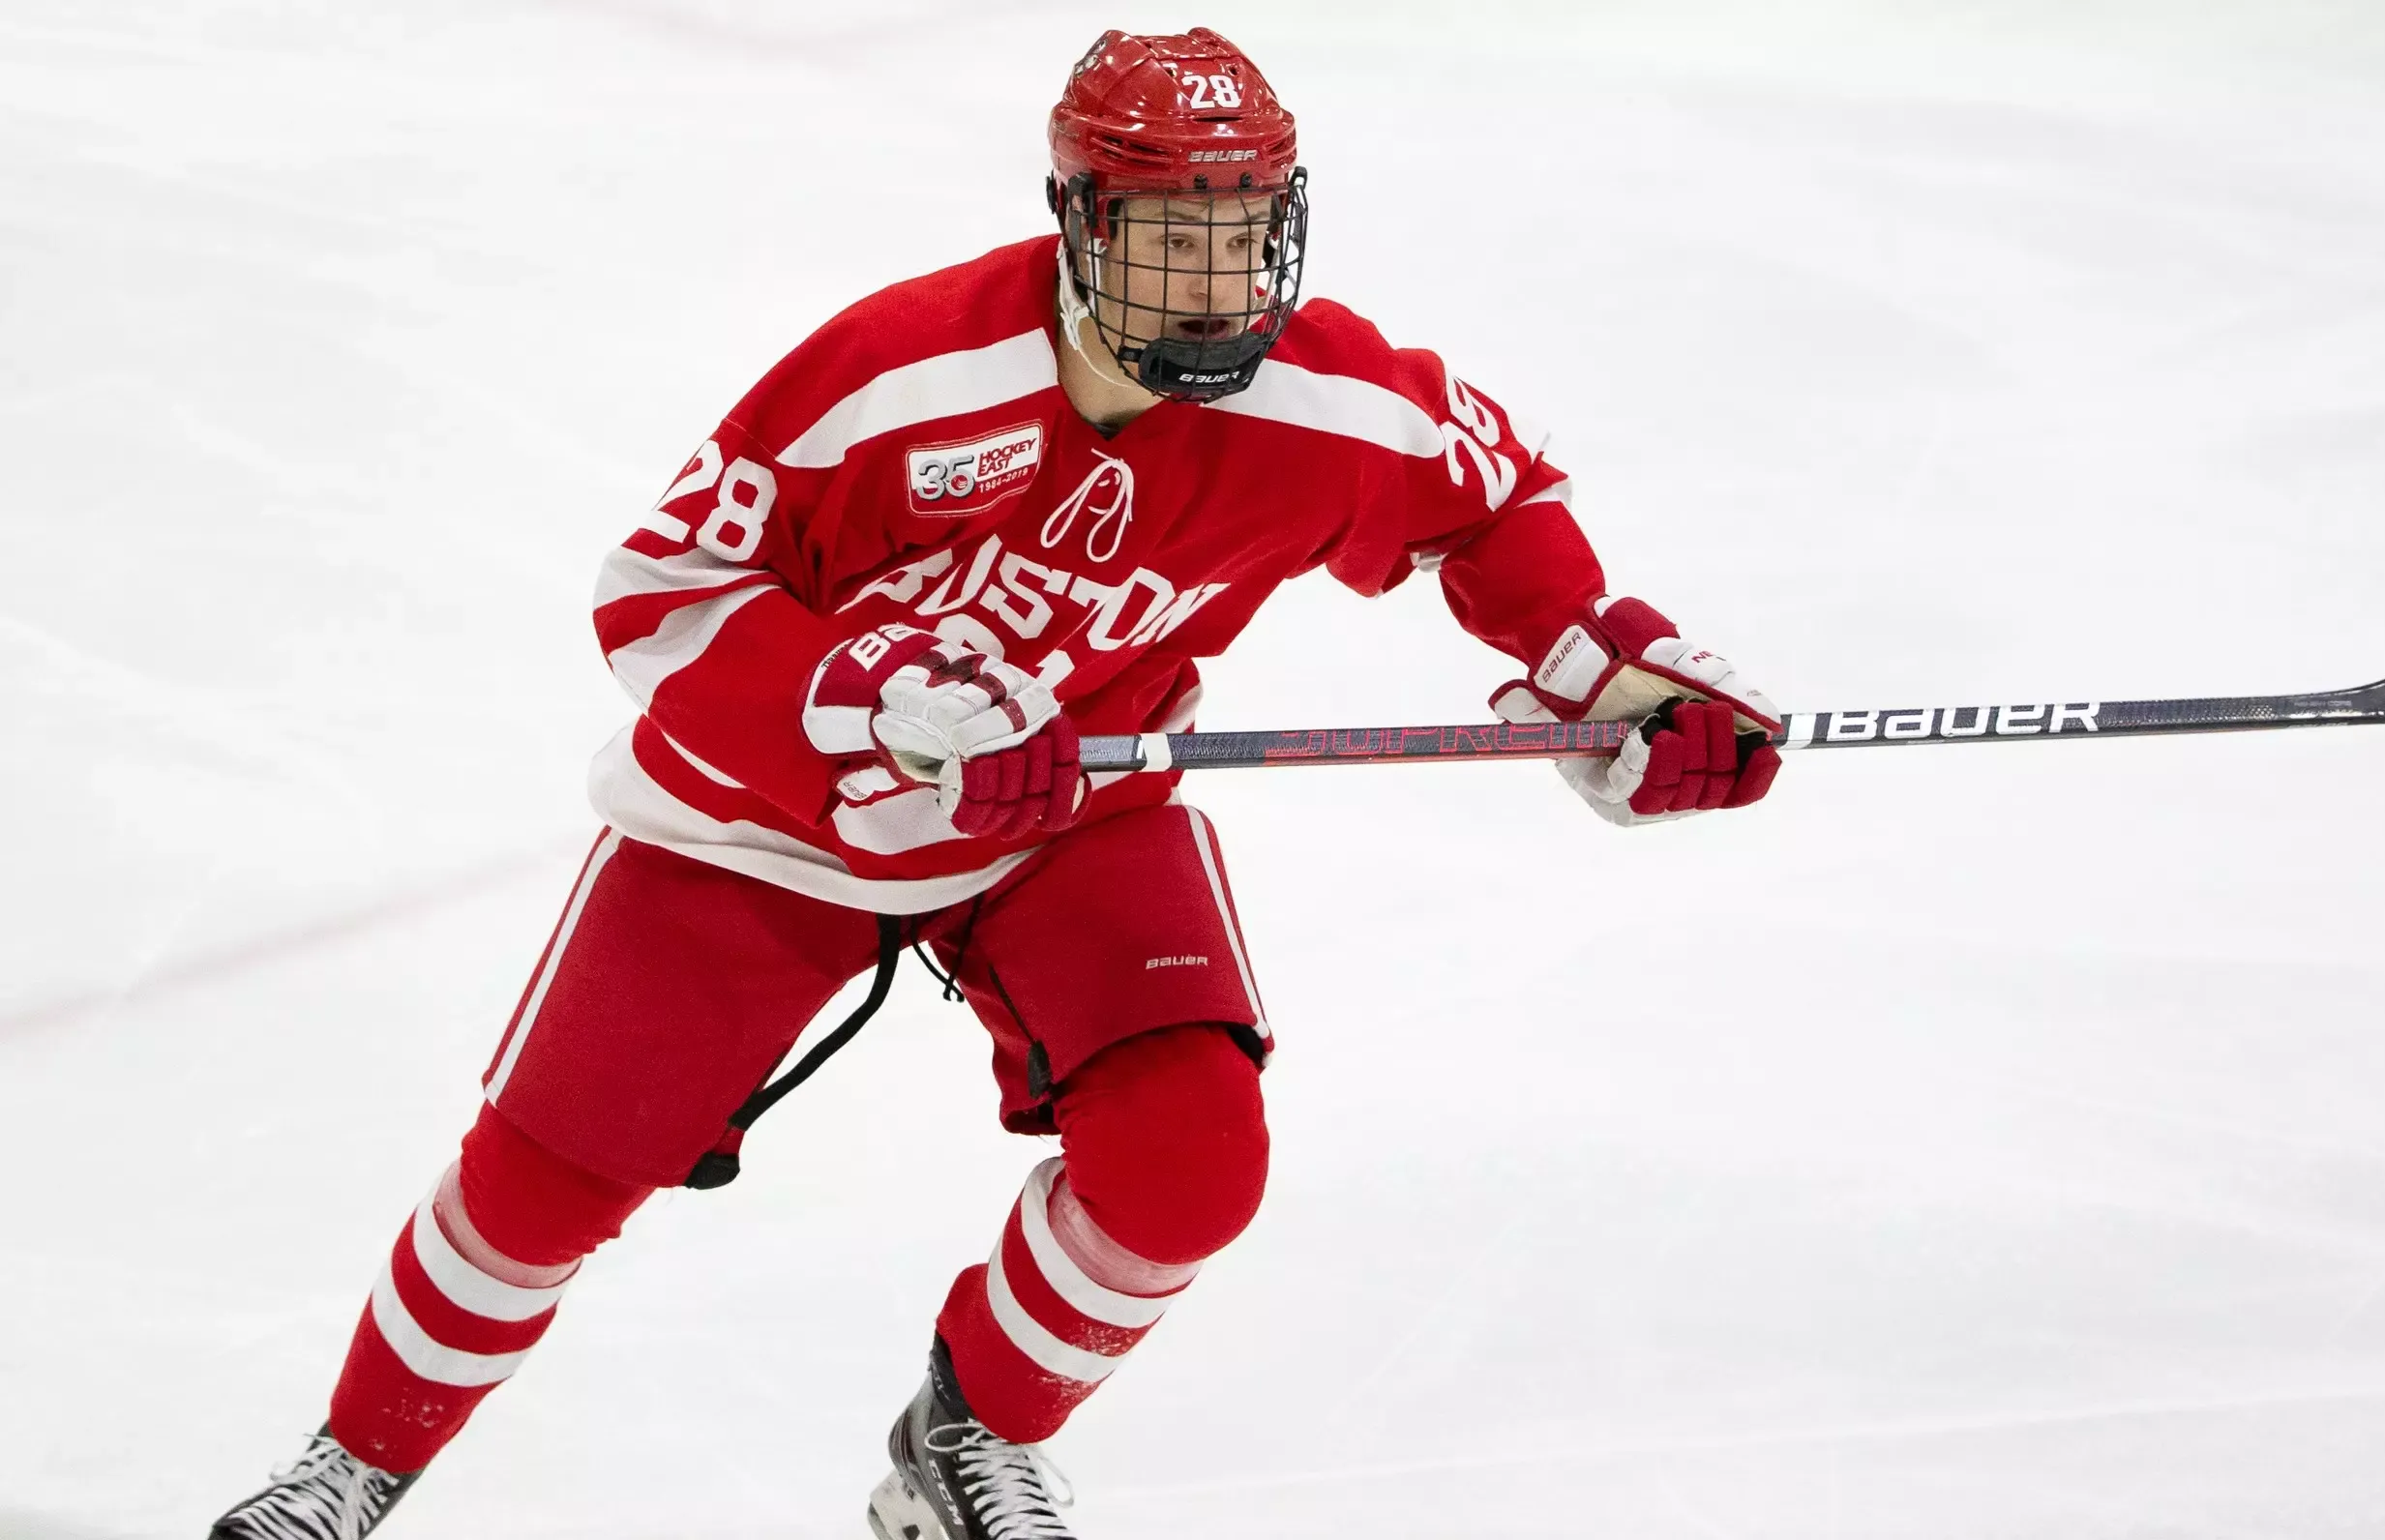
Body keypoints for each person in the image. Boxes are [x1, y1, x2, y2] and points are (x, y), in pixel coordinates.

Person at [206, 26, 1784, 1540]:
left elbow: (1489, 505)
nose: (1220, 280)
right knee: (548, 1181)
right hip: (773, 828)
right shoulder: (897, 376)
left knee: (1189, 1160)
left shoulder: (1333, 396)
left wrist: (1612, 676)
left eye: (1248, 233)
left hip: (1068, 814)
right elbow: (661, 596)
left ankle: (969, 1444)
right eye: (1173, 234)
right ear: (1076, 221)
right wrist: (871, 695)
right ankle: (349, 1472)